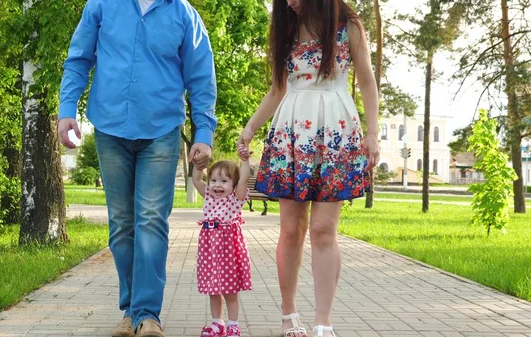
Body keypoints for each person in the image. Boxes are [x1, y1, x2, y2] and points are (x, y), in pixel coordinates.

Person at [56, 0, 217, 336]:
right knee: (122, 224)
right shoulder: (101, 5)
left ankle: (147, 315)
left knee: (150, 219)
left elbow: (201, 75)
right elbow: (78, 59)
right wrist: (67, 108)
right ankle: (131, 312)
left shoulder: (184, 13)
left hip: (161, 130)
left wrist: (203, 132)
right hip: (110, 126)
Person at [236, 0, 380, 336]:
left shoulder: (350, 27)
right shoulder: (286, 28)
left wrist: (373, 133)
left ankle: (323, 323)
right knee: (291, 230)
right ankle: (289, 316)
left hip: (336, 131)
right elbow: (278, 89)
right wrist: (249, 128)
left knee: (323, 230)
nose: (288, 2)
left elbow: (367, 83)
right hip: (291, 133)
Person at [191, 157, 253, 337]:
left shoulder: (236, 198)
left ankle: (233, 324)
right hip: (209, 250)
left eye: (224, 181)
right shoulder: (209, 195)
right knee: (213, 289)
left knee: (230, 289)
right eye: (214, 180)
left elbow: (244, 179)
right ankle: (217, 323)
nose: (217, 185)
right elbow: (196, 180)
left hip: (229, 251)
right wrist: (197, 166)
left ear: (234, 184)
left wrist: (245, 161)